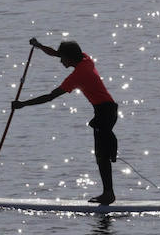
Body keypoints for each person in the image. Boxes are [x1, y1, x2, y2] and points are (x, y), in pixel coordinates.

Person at [12, 37, 119, 204]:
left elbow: (50, 97)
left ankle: (108, 194)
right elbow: (56, 53)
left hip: (104, 112)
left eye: (63, 58)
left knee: (101, 156)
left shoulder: (77, 76)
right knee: (101, 154)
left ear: (69, 58)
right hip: (107, 110)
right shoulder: (85, 60)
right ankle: (108, 191)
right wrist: (39, 47)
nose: (60, 61)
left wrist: (23, 104)